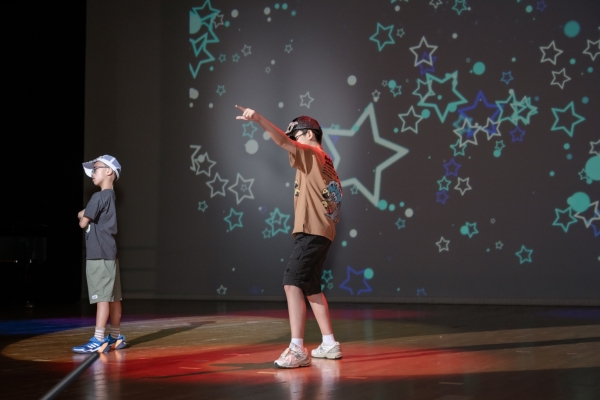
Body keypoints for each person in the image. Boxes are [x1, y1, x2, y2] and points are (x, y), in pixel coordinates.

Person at [236, 105, 343, 368]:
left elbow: (283, 142)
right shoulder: (325, 161)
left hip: (312, 230)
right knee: (312, 288)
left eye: (296, 136)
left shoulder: (312, 154)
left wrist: (258, 119)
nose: (293, 142)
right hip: (323, 231)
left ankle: (297, 349)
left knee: (291, 282)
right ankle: (329, 343)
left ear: (309, 134)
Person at [72, 155, 127, 353]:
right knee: (114, 297)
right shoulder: (110, 197)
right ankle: (116, 336)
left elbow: (83, 222)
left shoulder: (98, 197)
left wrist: (81, 213)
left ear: (108, 171)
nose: (92, 173)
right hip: (109, 254)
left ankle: (98, 338)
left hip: (98, 255)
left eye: (96, 169)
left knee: (102, 297)